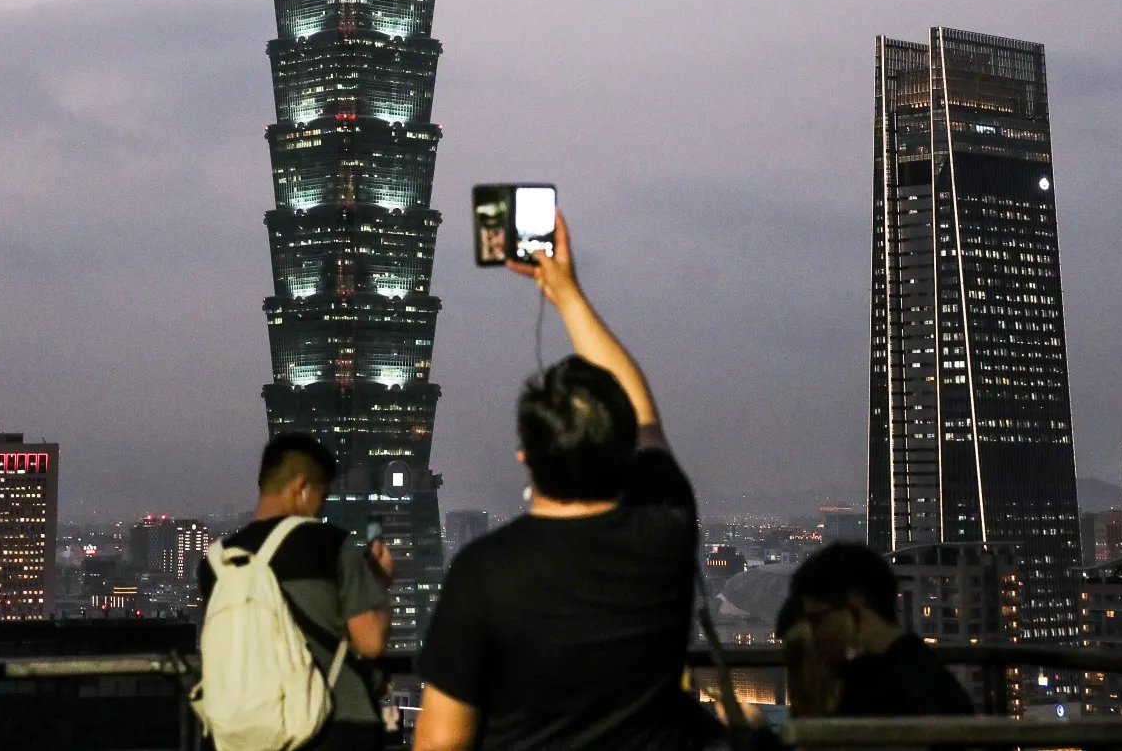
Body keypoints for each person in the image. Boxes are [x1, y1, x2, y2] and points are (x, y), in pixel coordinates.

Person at [414, 211, 707, 751]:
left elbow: (440, 742)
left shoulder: (484, 572)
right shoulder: (664, 528)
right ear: (623, 448)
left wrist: (561, 290)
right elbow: (642, 411)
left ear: (526, 456)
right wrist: (567, 294)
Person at [199, 433, 395, 751]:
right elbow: (371, 641)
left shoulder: (217, 562)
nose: (320, 509)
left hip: (242, 733)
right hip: (335, 725)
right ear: (302, 488)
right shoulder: (328, 543)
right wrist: (378, 583)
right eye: (322, 497)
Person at [778, 542, 974, 718]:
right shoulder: (927, 675)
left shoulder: (887, 691)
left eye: (818, 620)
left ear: (854, 608)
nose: (815, 635)